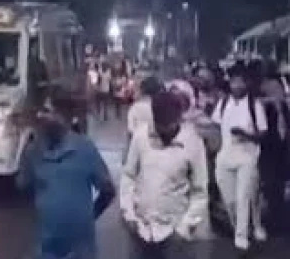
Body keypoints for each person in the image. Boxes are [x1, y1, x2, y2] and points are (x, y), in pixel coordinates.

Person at [17, 86, 116, 259]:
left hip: (81, 250)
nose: (42, 116)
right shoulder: (33, 151)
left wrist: (87, 217)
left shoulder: (85, 149)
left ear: (65, 116)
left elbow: (108, 191)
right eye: (42, 111)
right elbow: (23, 187)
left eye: (48, 111)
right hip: (46, 248)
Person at [120, 91, 210, 258]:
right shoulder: (141, 137)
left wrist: (184, 229)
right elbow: (129, 175)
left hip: (173, 234)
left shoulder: (193, 143)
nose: (163, 128)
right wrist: (129, 214)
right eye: (159, 122)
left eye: (168, 123)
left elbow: (200, 191)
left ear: (178, 118)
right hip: (141, 230)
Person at [212, 65, 269, 250]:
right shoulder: (223, 103)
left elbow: (263, 133)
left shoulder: (255, 105)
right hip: (225, 156)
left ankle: (241, 237)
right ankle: (245, 226)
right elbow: (215, 125)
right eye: (233, 81)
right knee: (230, 200)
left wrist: (246, 135)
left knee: (243, 195)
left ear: (247, 83)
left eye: (240, 82)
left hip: (248, 157)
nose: (236, 85)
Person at [259, 69, 289, 236]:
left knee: (278, 187)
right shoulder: (263, 107)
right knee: (271, 188)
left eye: (279, 87)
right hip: (269, 152)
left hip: (282, 152)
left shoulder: (283, 106)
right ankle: (274, 222)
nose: (279, 91)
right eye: (274, 87)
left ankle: (280, 220)